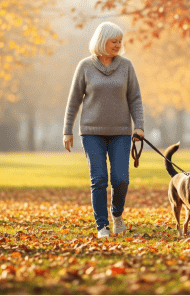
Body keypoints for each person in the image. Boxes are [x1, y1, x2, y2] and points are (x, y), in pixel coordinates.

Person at [63, 22, 144, 239]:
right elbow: (73, 101)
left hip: (121, 132)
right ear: (102, 41)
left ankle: (116, 214)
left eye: (120, 41)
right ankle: (102, 226)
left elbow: (135, 98)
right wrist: (67, 130)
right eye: (113, 41)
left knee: (121, 179)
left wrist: (139, 126)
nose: (118, 45)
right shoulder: (85, 66)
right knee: (98, 179)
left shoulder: (126, 66)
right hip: (91, 132)